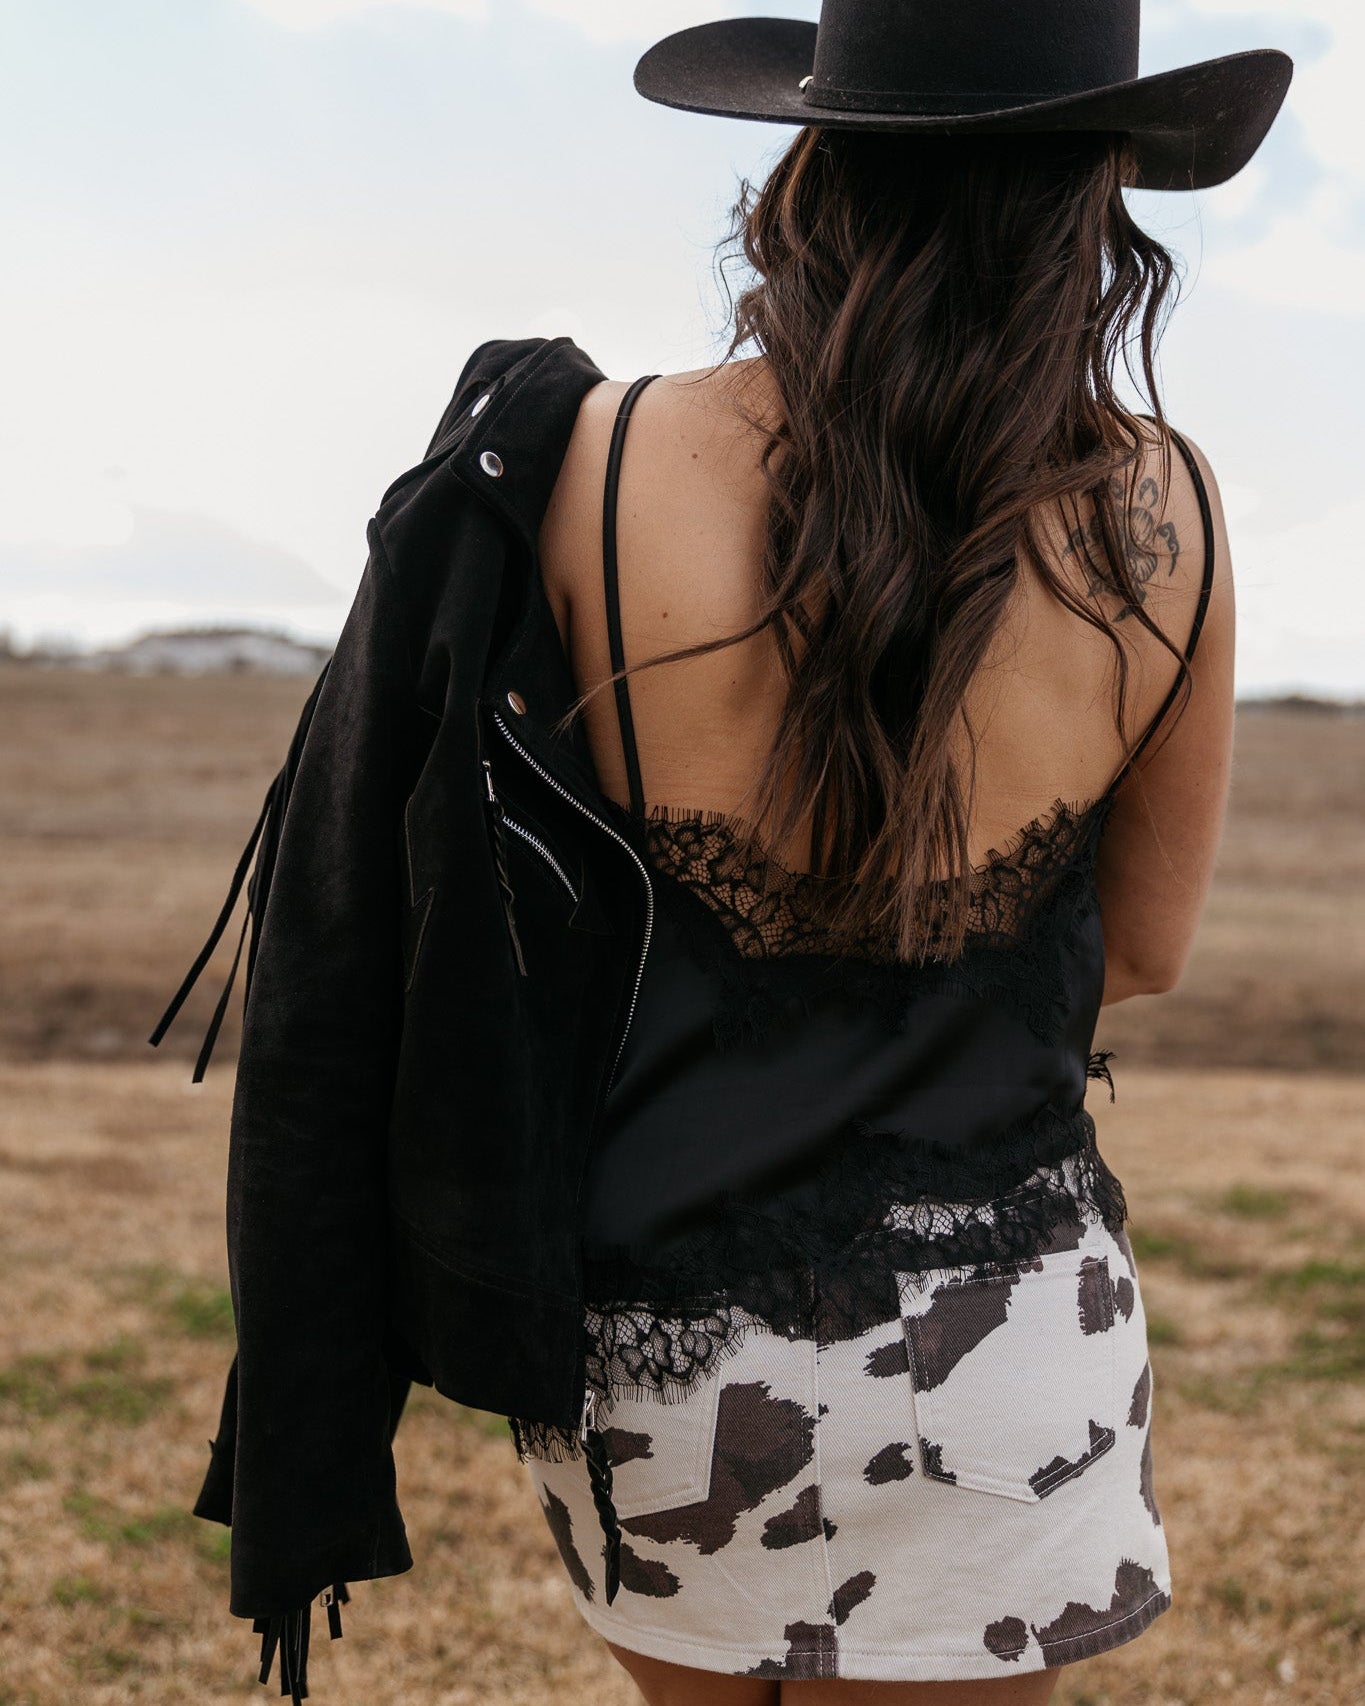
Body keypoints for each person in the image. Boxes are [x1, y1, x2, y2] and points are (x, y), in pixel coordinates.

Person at [150, 3, 1293, 1702]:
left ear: (814, 157)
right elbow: (1137, 948)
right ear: (1095, 191)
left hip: (665, 1351)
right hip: (1011, 1355)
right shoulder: (1164, 509)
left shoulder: (590, 457)